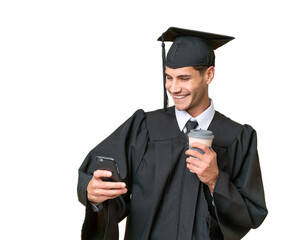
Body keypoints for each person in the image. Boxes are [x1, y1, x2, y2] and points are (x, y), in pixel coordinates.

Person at [77, 27, 268, 240]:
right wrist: (93, 194)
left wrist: (215, 180)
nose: (173, 88)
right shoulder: (144, 128)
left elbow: (251, 214)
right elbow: (105, 187)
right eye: (169, 77)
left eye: (183, 78)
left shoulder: (237, 137)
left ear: (209, 75)